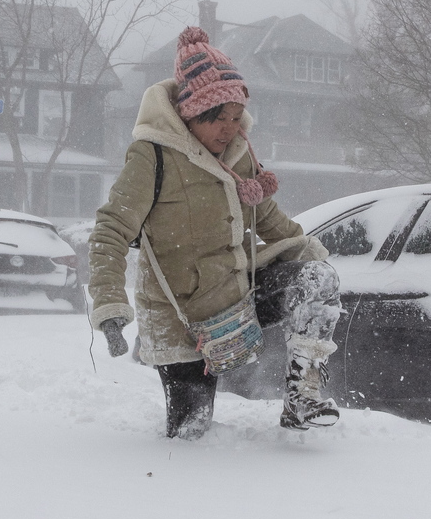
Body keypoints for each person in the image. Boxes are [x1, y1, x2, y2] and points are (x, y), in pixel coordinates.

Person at [88, 26, 343, 439]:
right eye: (216, 118)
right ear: (191, 113)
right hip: (181, 317)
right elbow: (110, 231)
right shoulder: (152, 155)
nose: (228, 129)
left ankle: (304, 396)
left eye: (235, 117)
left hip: (238, 296)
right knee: (191, 434)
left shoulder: (239, 156)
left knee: (317, 277)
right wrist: (110, 305)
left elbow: (272, 221)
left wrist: (319, 256)